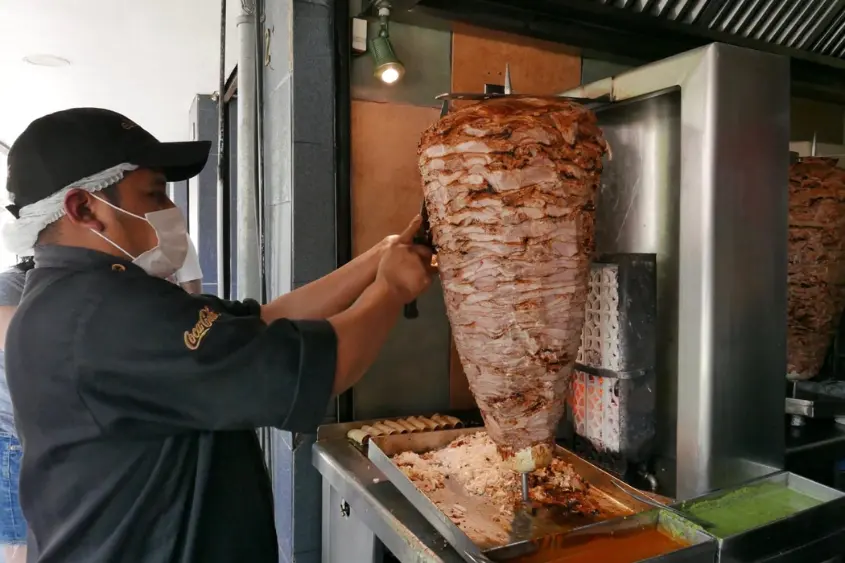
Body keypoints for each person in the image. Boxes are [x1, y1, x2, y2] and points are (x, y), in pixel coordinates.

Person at [2, 108, 434, 563]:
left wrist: (381, 256)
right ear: (83, 208)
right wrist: (392, 290)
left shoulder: (84, 296)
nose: (170, 210)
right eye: (154, 193)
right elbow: (328, 367)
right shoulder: (102, 315)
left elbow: (265, 318)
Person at [0, 242, 200, 563]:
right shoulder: (17, 290)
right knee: (23, 548)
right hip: (16, 441)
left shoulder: (94, 290)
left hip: (58, 439)